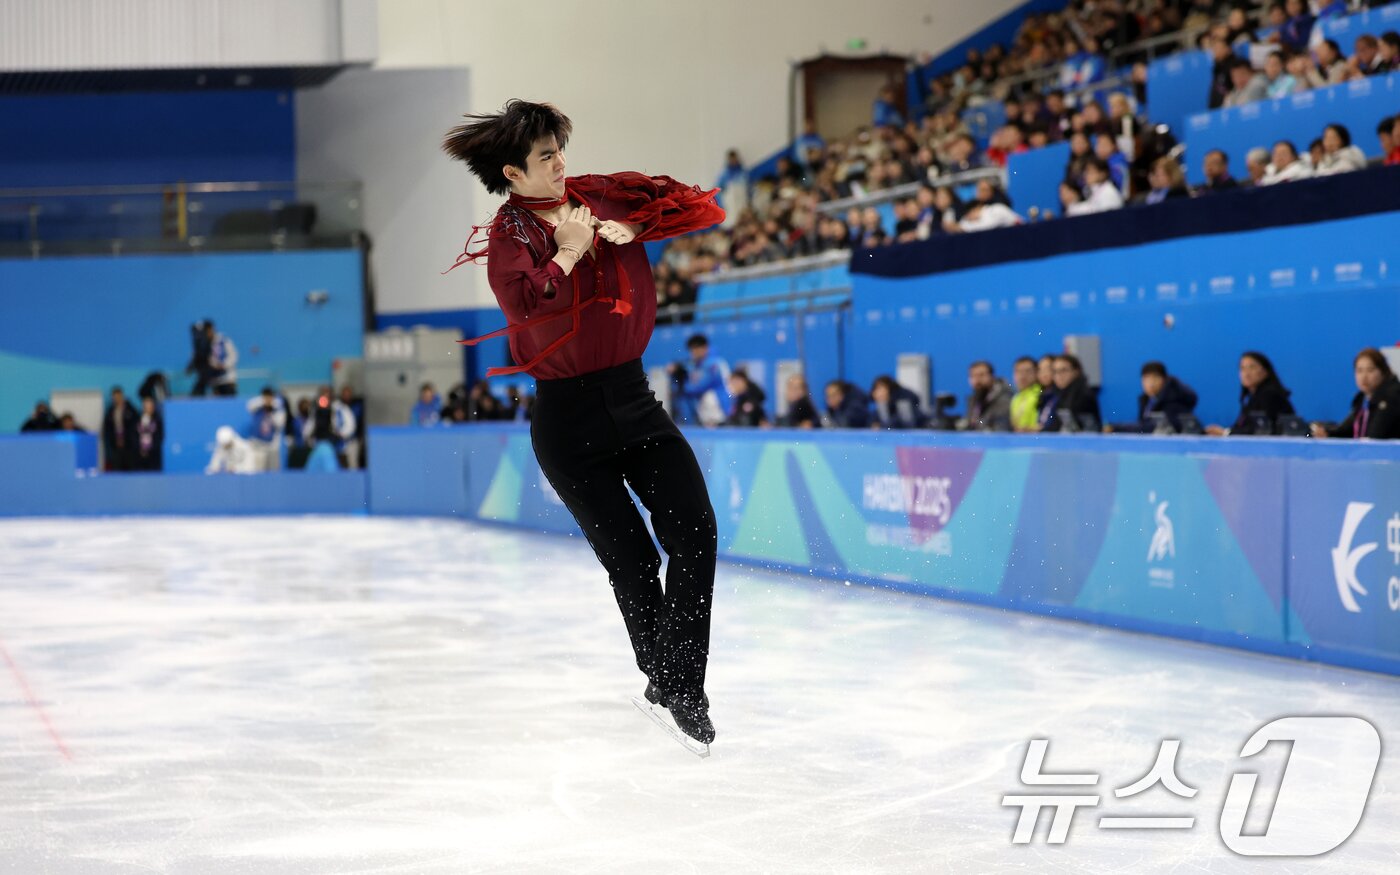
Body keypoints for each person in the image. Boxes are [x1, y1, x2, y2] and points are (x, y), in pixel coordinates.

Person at [443, 100, 723, 749]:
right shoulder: (510, 238)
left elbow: (702, 207)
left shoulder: (599, 194)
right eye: (545, 157)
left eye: (560, 149)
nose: (561, 163)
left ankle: (676, 684)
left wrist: (640, 225)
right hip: (567, 420)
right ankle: (671, 684)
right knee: (632, 560)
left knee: (697, 531)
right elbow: (523, 299)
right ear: (514, 172)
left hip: (633, 396)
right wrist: (569, 253)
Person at [1311, 348, 1400, 439]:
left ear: (1383, 372)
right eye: (1359, 371)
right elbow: (1346, 430)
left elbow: (1375, 438)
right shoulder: (1362, 399)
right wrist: (1327, 434)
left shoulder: (1391, 397)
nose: (1364, 377)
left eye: (1370, 370)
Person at [1206, 351, 1296, 435]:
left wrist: (1226, 433)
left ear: (1265, 371)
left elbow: (1262, 429)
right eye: (1242, 368)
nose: (1246, 373)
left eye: (1252, 367)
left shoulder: (1270, 395)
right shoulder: (1250, 398)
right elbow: (1243, 426)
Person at [1114, 362, 1199, 433]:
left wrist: (1116, 428)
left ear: (1164, 380)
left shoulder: (1173, 400)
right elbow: (1142, 425)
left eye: (1155, 378)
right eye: (1146, 379)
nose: (1151, 383)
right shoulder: (1145, 399)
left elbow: (1152, 428)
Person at [669, 334, 731, 427]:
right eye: (691, 349)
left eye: (697, 348)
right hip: (703, 411)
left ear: (705, 348)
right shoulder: (694, 364)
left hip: (718, 409)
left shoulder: (714, 364)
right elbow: (680, 366)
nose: (694, 352)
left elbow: (701, 386)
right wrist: (676, 369)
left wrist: (682, 388)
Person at [1039, 355, 1100, 432]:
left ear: (1076, 372)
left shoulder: (1084, 396)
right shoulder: (1059, 394)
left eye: (1063, 370)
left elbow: (1086, 429)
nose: (1059, 375)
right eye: (1055, 371)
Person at [961, 361, 1012, 431]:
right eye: (973, 376)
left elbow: (1000, 429)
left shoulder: (1004, 399)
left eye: (981, 375)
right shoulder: (973, 399)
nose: (977, 380)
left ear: (992, 377)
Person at [102, 386, 138, 472]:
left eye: (118, 396)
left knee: (130, 468)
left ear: (122, 396)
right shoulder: (111, 411)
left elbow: (135, 425)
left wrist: (131, 439)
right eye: (115, 397)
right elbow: (107, 427)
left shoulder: (130, 409)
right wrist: (112, 441)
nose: (117, 399)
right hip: (116, 445)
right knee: (117, 468)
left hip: (129, 445)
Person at [1008, 356, 1042, 432]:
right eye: (1018, 371)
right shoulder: (1015, 398)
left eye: (1027, 371)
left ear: (1036, 373)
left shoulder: (1041, 395)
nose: (1022, 376)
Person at [134, 395, 163, 471]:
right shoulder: (137, 420)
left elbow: (159, 437)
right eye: (145, 406)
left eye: (149, 406)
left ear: (153, 407)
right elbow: (134, 435)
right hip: (139, 455)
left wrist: (151, 449)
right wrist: (140, 448)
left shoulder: (158, 421)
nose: (147, 409)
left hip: (153, 455)